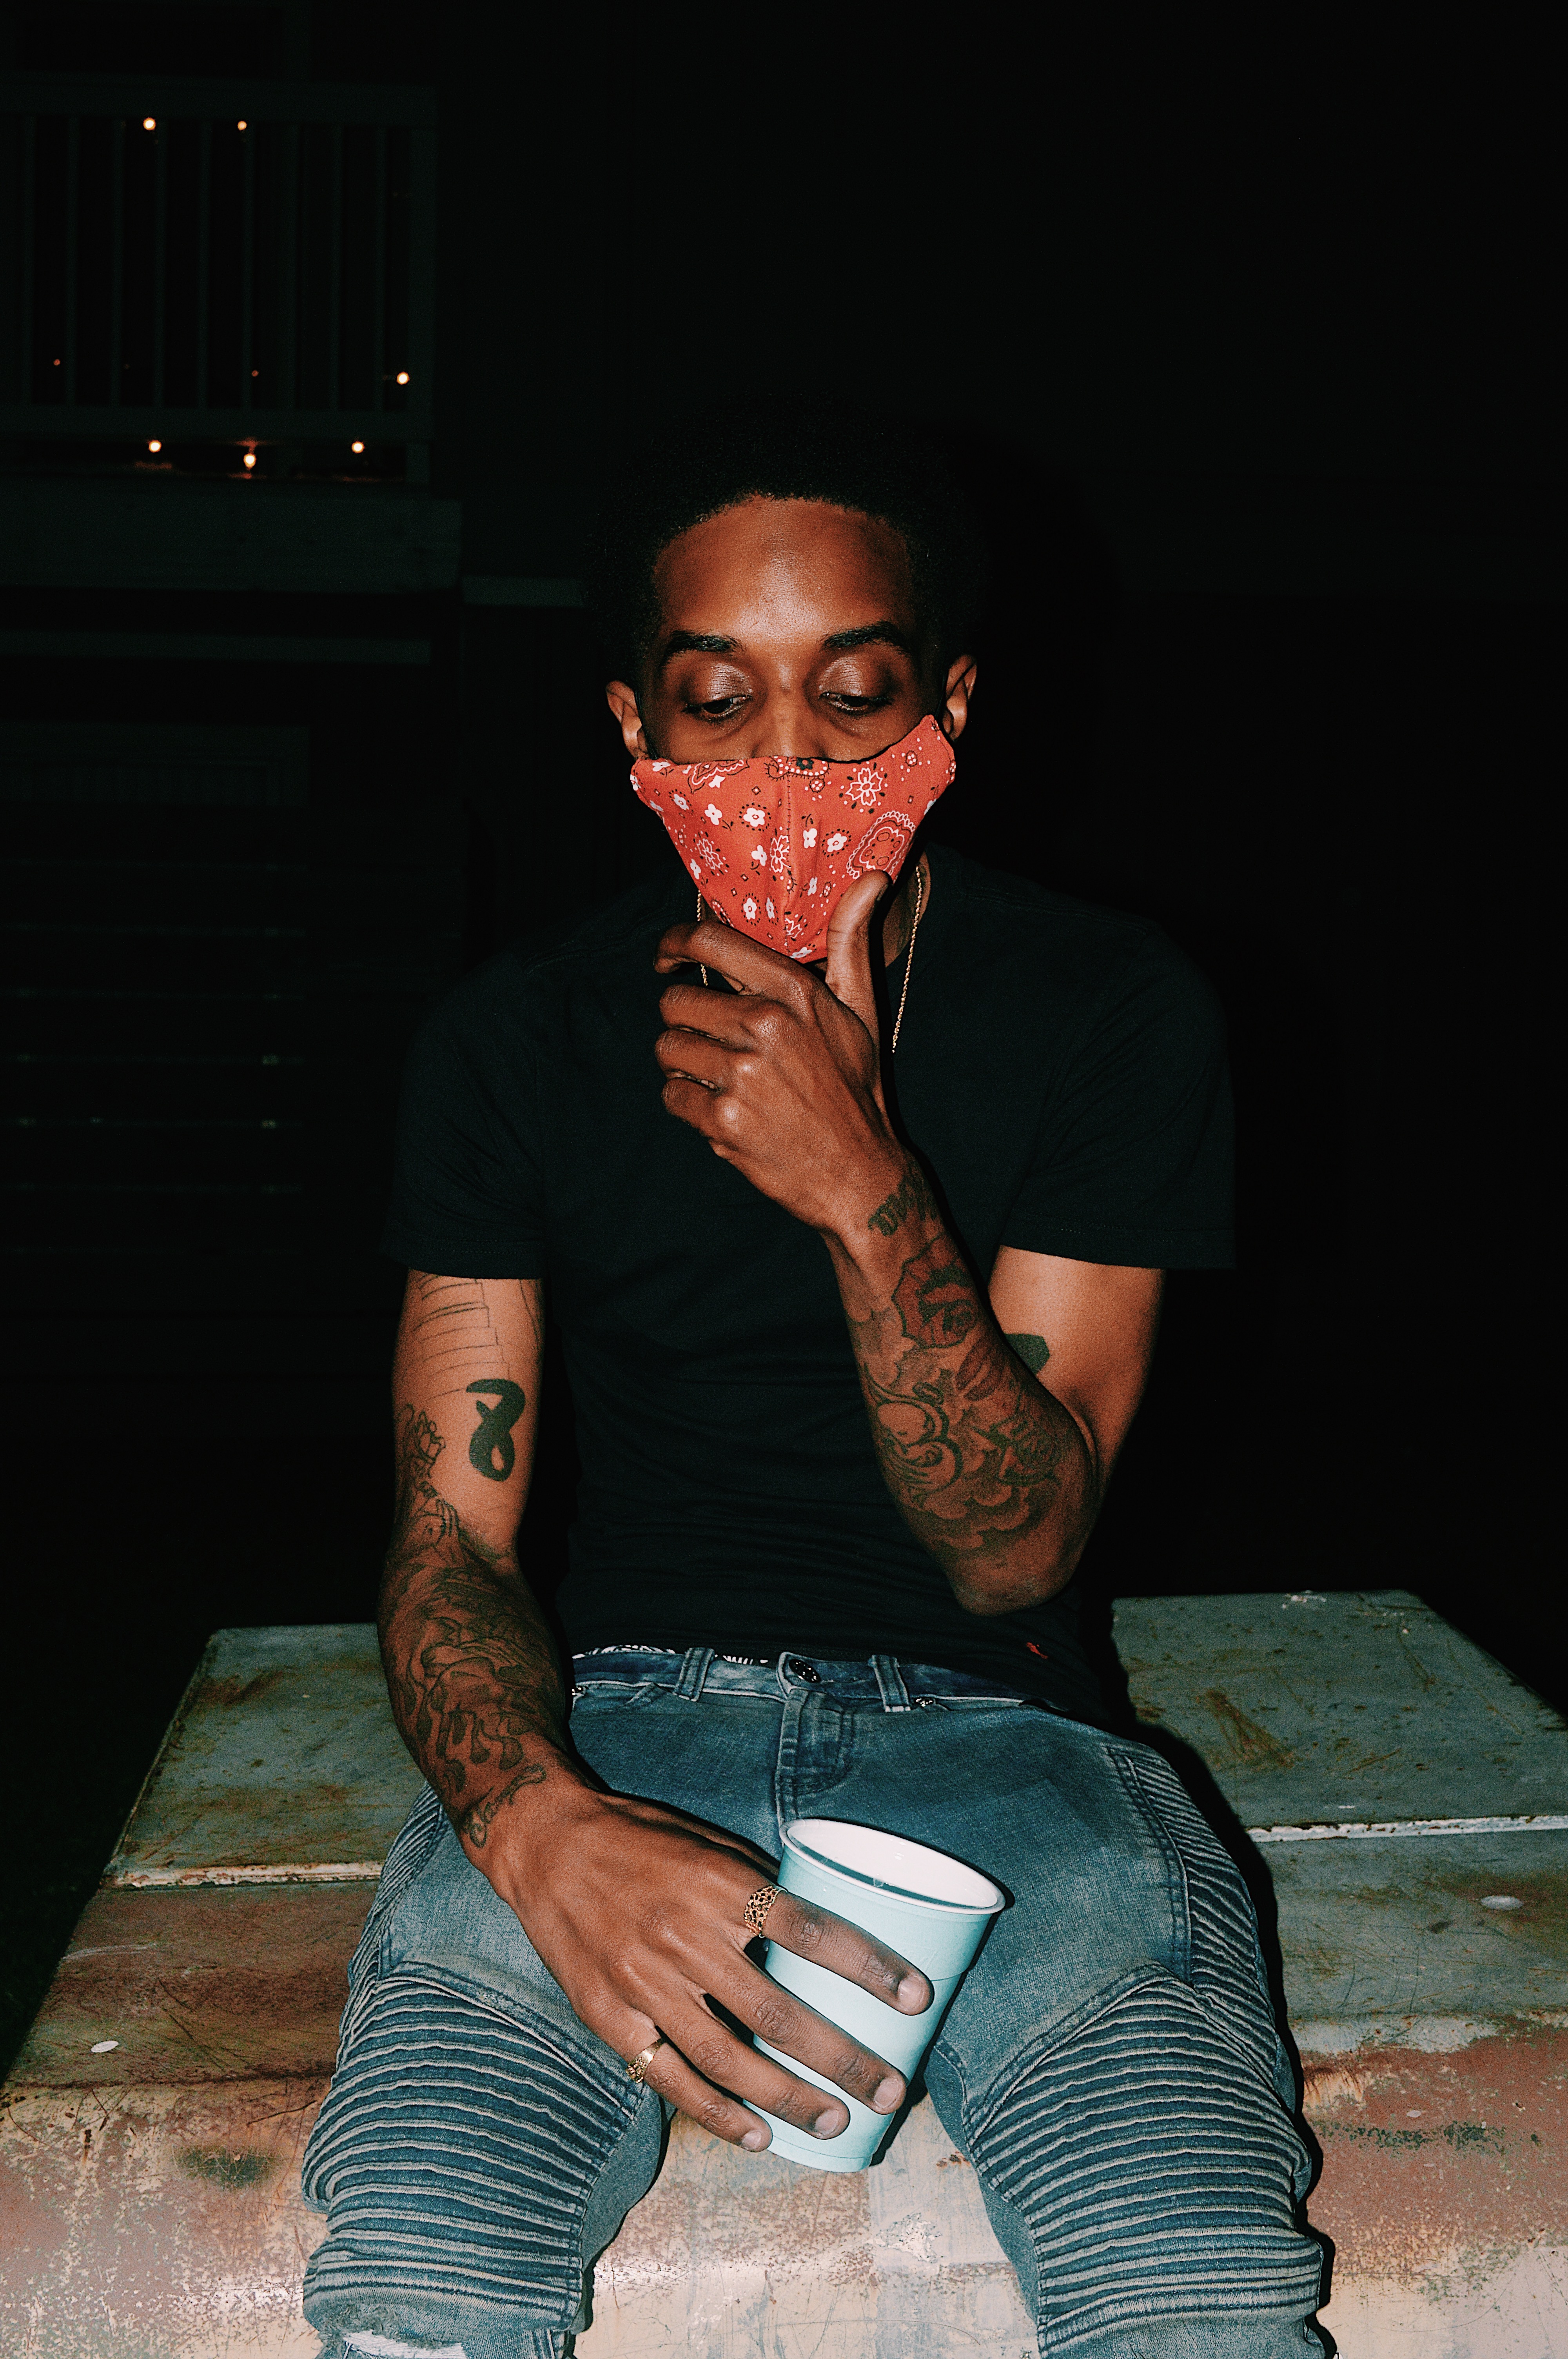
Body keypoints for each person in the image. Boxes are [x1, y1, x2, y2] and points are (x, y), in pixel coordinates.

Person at [300, 403, 1326, 2358]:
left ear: (950, 707)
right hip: (612, 1726)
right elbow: (449, 1544)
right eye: (718, 700)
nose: (785, 763)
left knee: (1195, 2298)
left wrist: (865, 1190)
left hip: (1008, 1744)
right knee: (420, 2277)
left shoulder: (1105, 1010)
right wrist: (538, 1826)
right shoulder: (513, 1040)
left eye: (853, 697)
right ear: (634, 726)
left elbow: (1015, 1550)